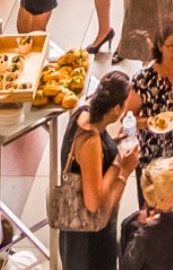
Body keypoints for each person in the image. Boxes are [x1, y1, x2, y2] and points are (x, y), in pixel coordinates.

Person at [49, 74, 140, 270]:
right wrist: (121, 167)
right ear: (116, 109)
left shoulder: (82, 113)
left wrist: (113, 144)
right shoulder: (90, 142)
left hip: (71, 228)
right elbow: (93, 202)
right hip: (89, 241)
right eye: (125, 104)